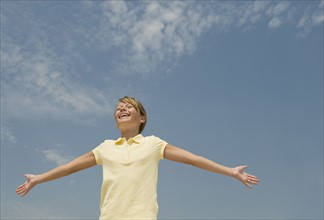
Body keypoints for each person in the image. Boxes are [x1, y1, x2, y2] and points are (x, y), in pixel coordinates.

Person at [16, 96, 260, 220]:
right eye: (118, 108)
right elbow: (70, 168)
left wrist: (230, 171)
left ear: (142, 118)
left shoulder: (153, 144)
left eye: (128, 106)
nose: (121, 109)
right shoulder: (106, 147)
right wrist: (38, 178)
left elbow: (193, 158)